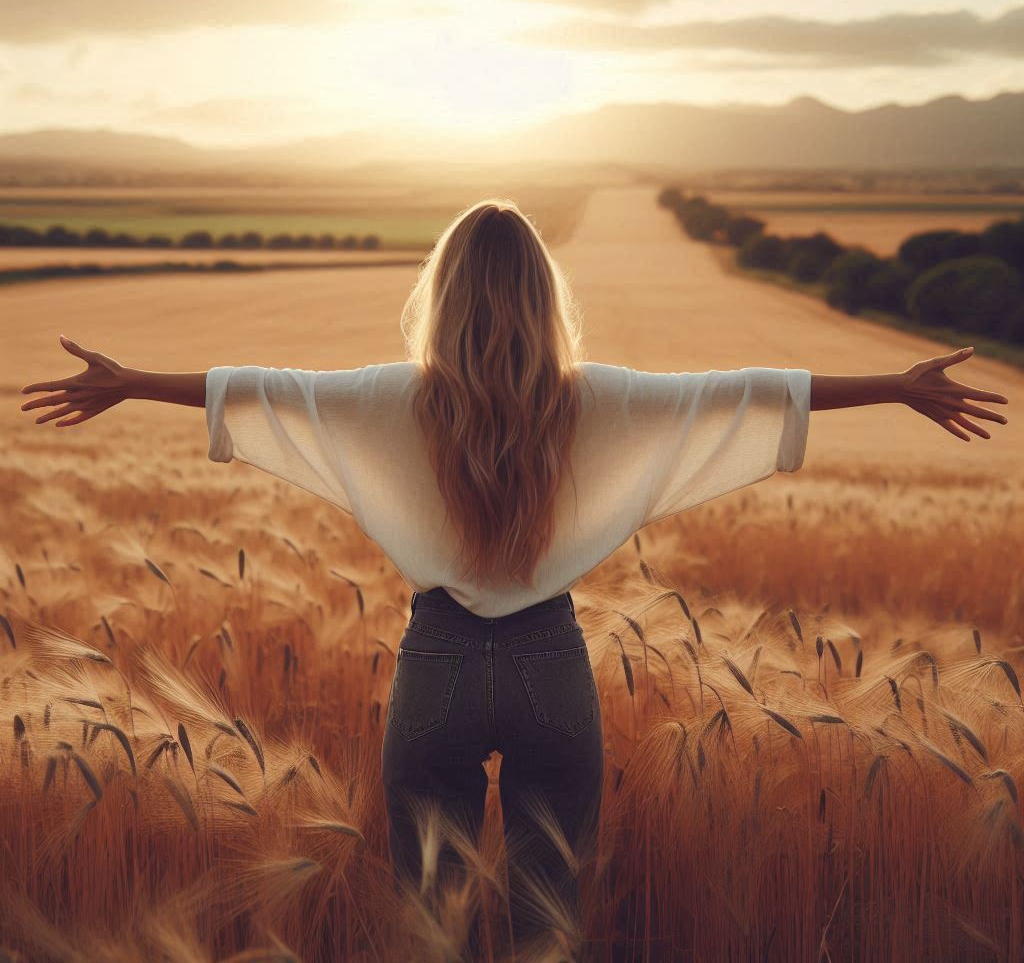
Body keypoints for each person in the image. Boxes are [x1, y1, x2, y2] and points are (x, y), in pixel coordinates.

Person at [19, 198, 1010, 962]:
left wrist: (131, 381)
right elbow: (744, 392)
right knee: (549, 910)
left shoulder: (386, 399)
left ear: (438, 297)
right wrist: (892, 385)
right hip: (549, 660)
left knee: (426, 904)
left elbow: (261, 389)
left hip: (437, 658)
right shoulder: (599, 401)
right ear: (547, 300)